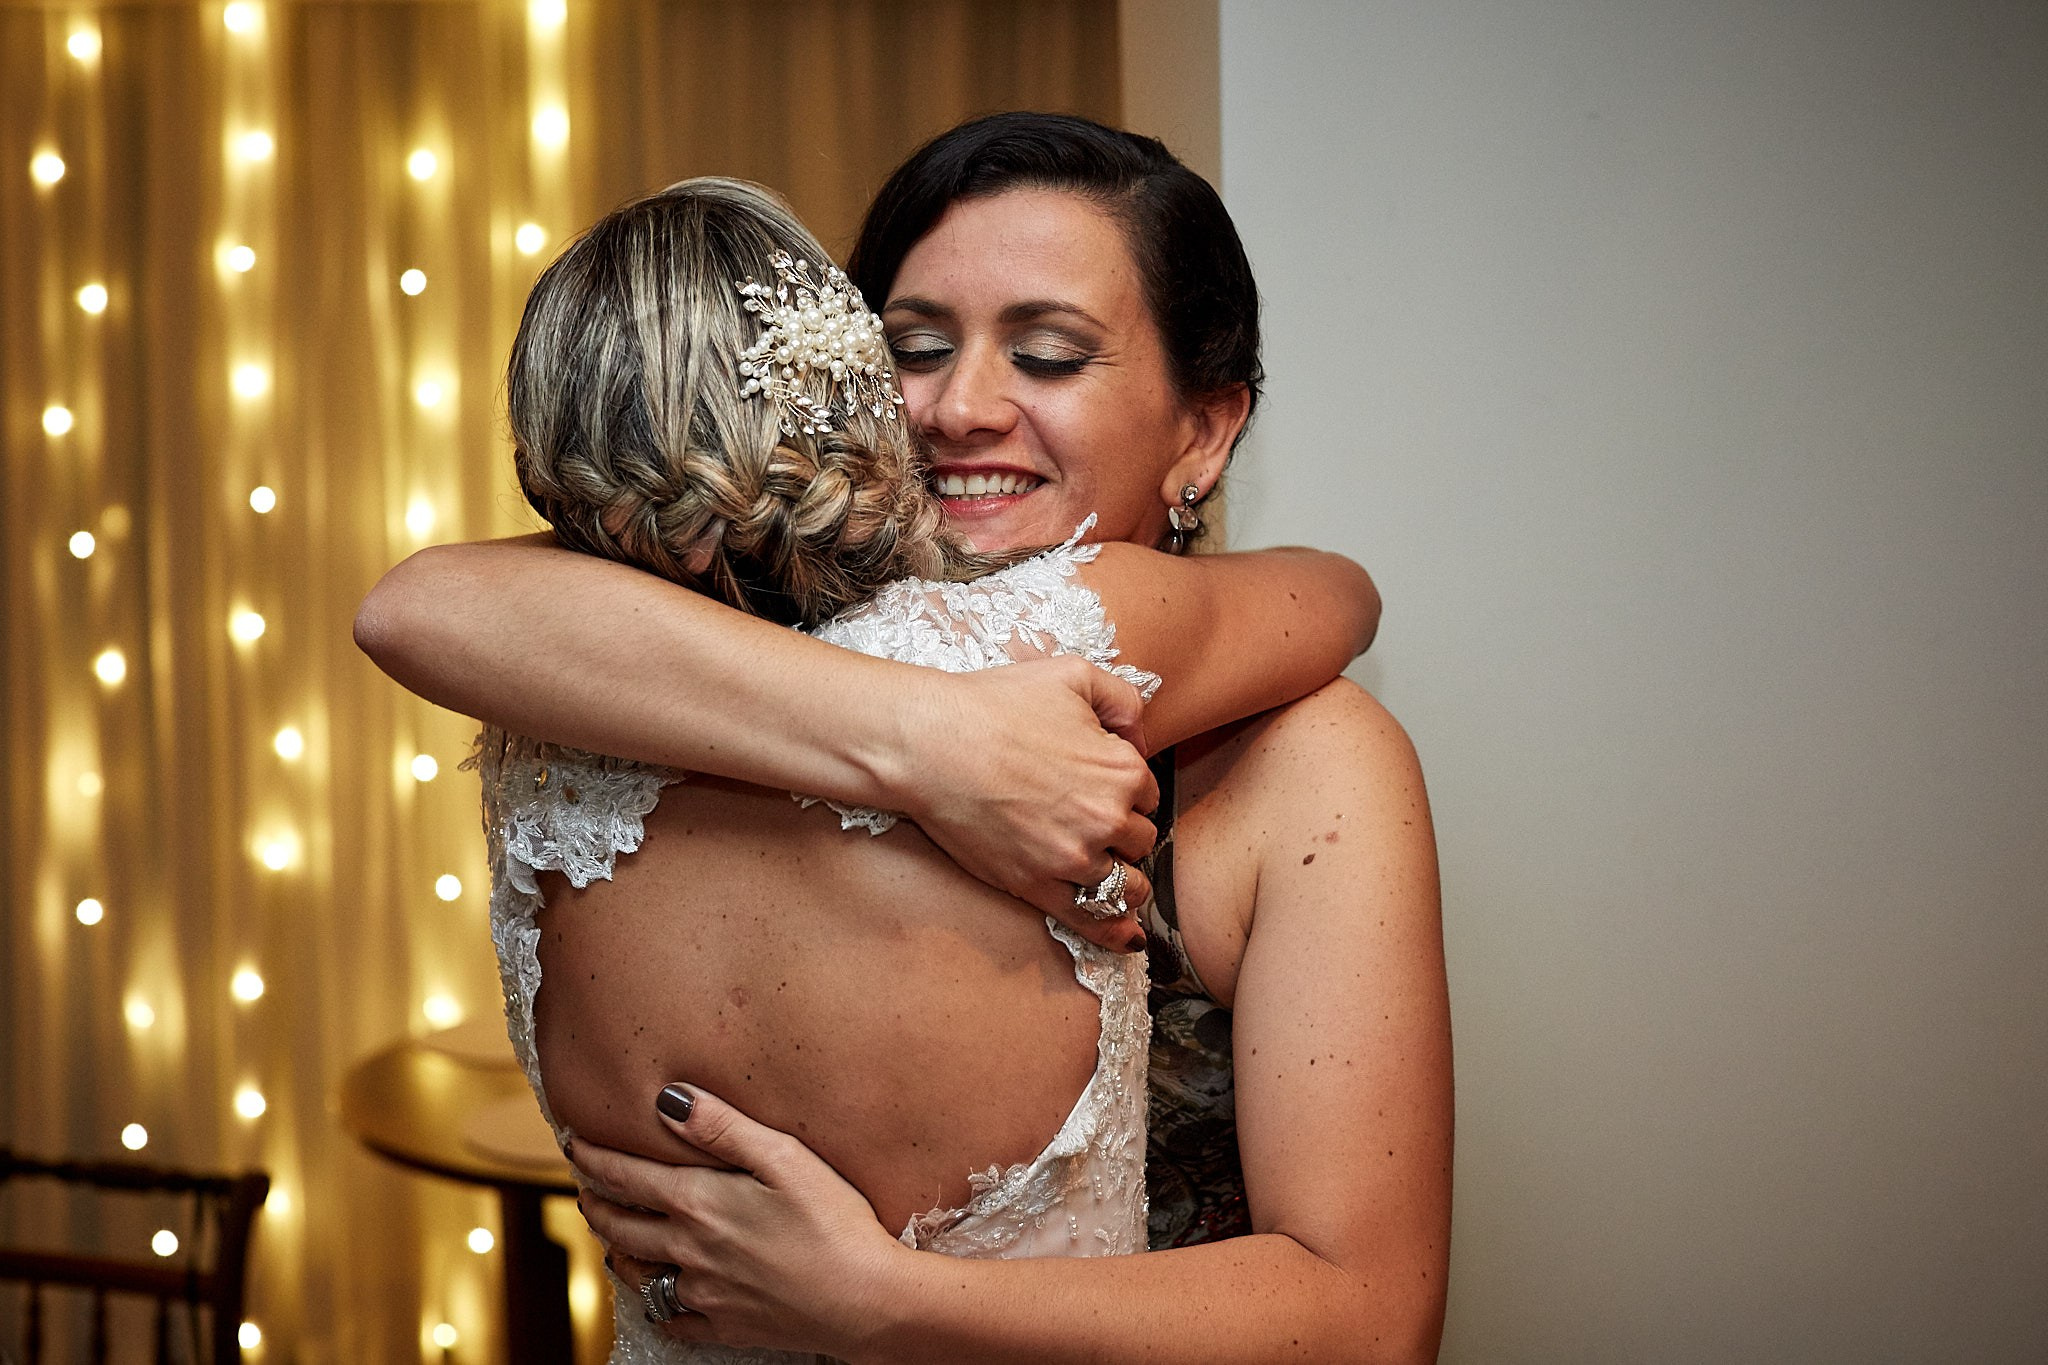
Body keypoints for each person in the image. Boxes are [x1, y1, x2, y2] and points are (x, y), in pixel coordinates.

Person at [356, 114, 1450, 1361]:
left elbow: (1369, 1322)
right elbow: (422, 602)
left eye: (1046, 356)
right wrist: (927, 736)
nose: (958, 408)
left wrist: (881, 1301)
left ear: (1202, 431)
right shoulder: (675, 660)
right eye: (912, 349)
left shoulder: (1306, 763)